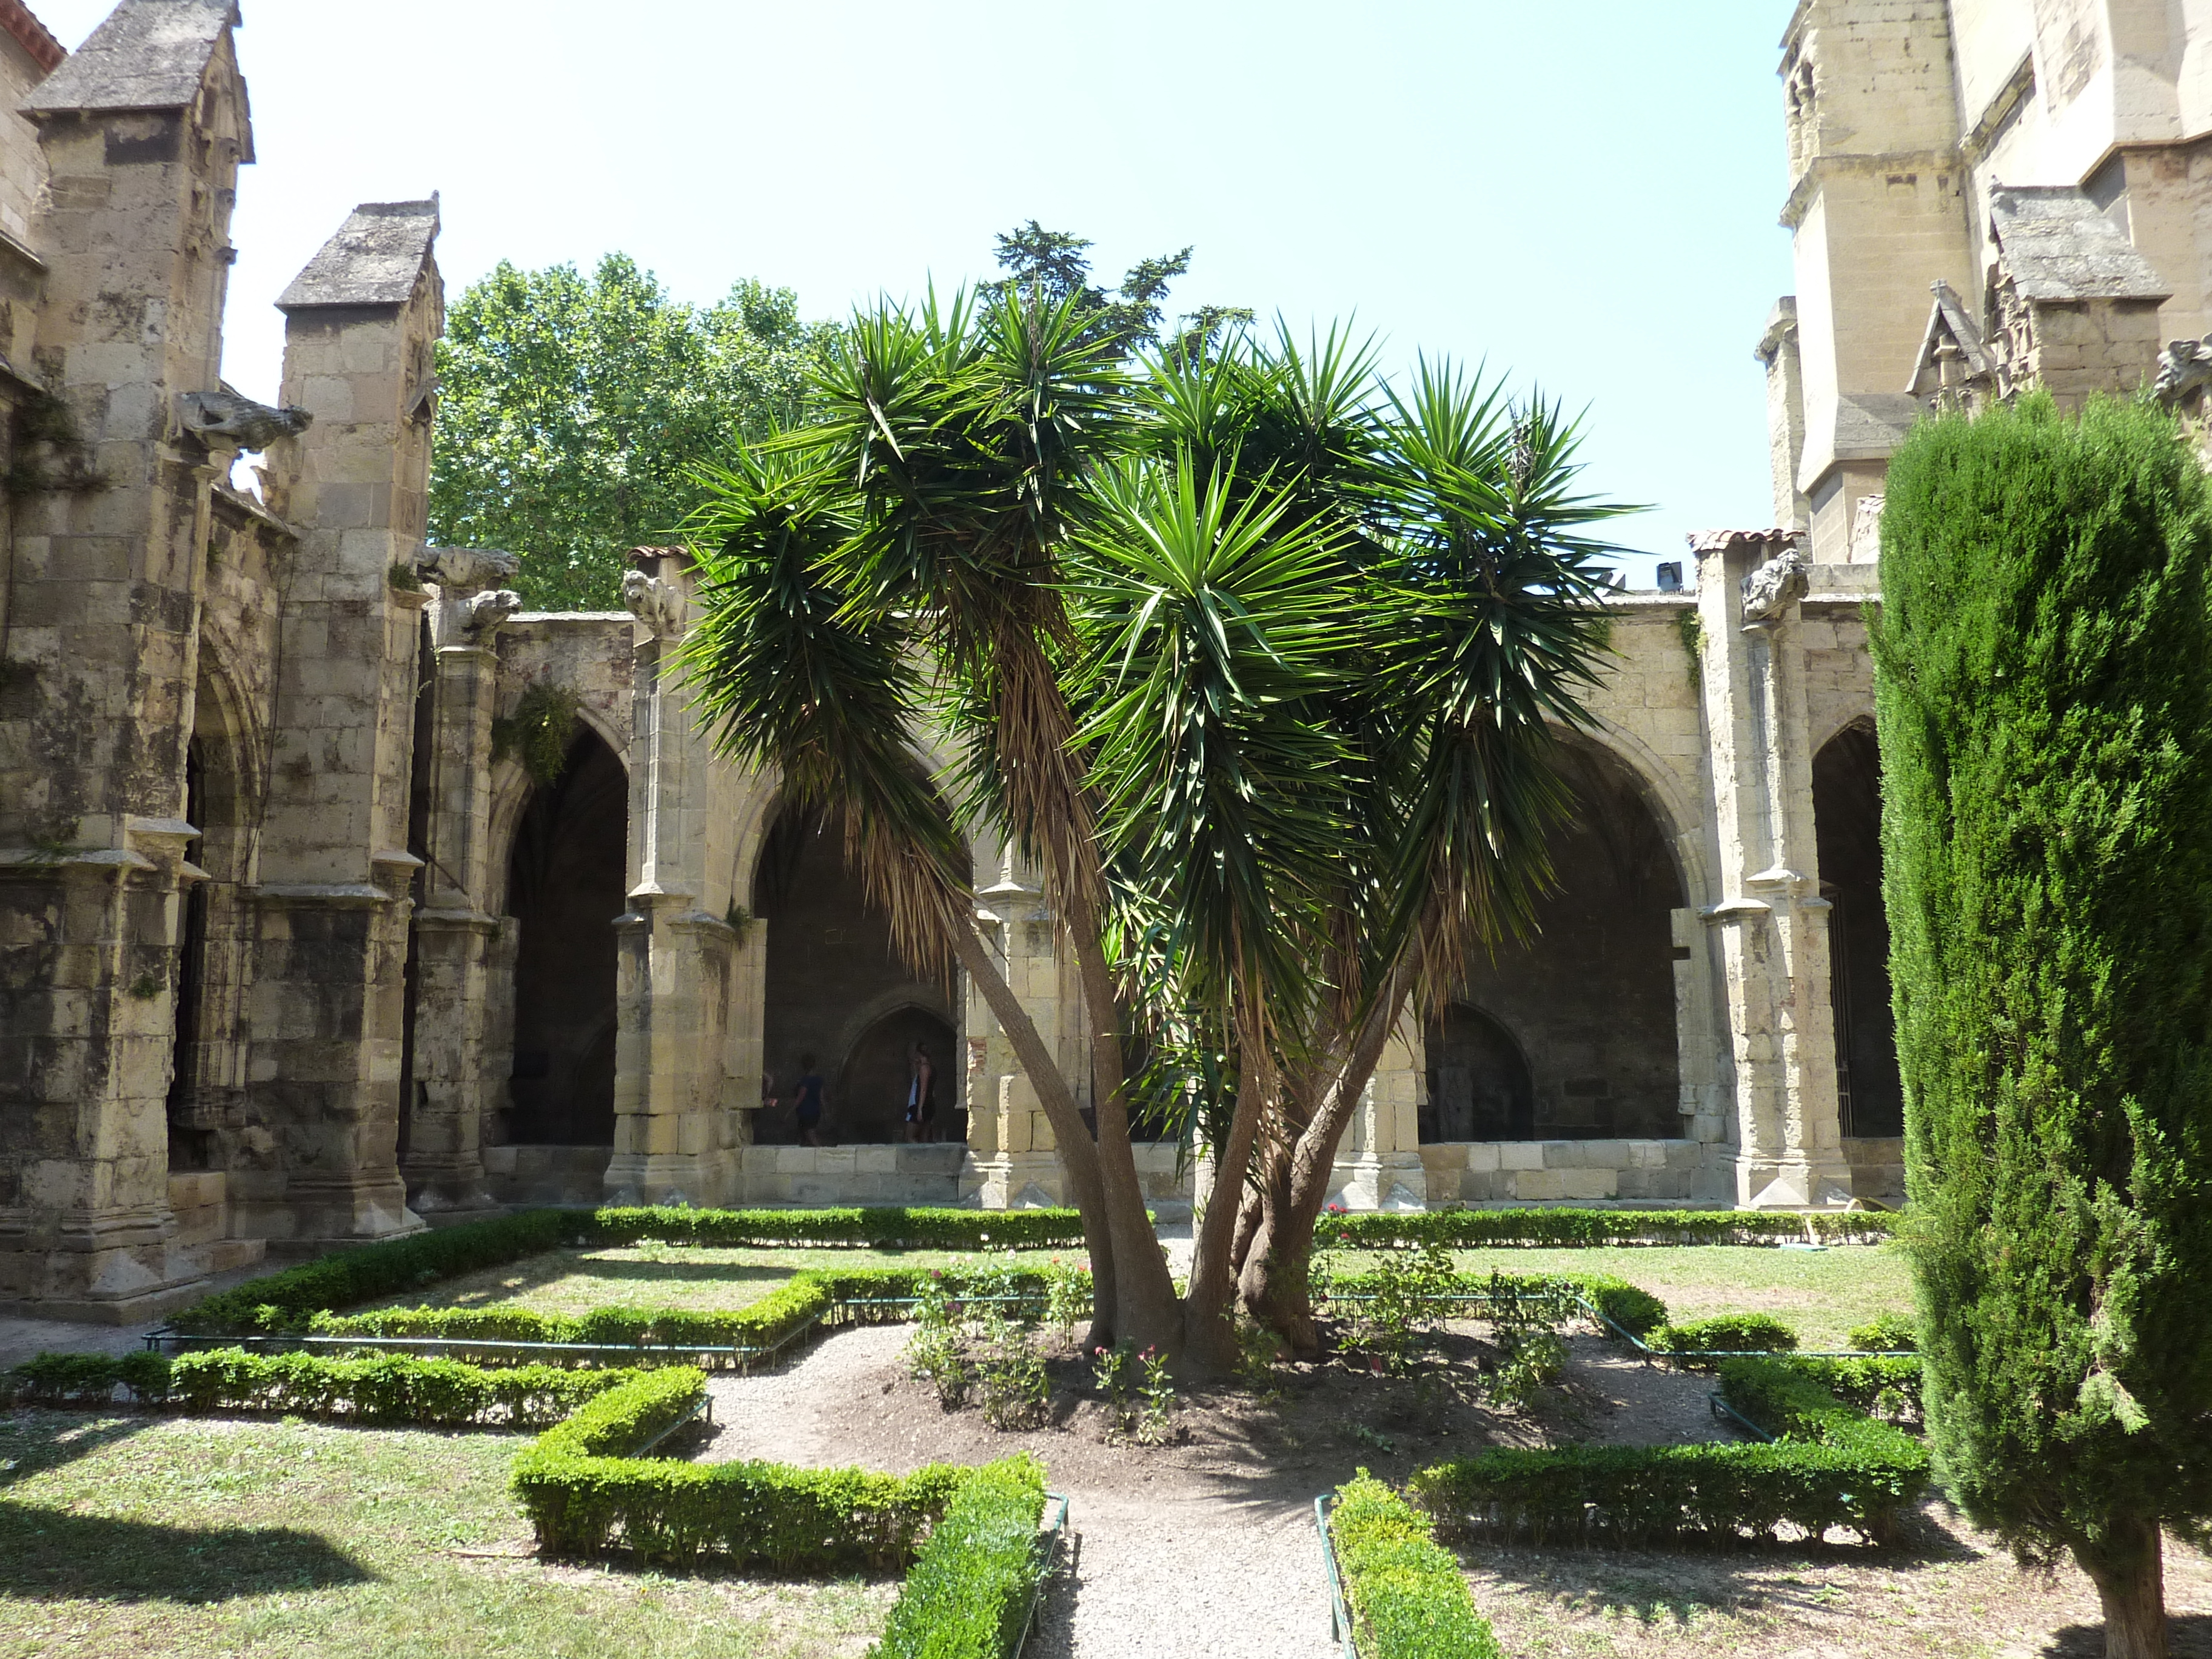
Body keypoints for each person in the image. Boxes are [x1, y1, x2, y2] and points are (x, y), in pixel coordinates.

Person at [905, 1041, 937, 1144]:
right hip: (928, 1105)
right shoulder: (930, 1068)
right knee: (924, 1138)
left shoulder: (925, 1068)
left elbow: (923, 1089)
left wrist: (919, 1109)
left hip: (921, 1105)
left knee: (910, 1136)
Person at [793, 1054, 825, 1147]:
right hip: (815, 1111)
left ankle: (821, 1152)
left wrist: (789, 1112)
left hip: (806, 1112)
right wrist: (826, 1111)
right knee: (806, 1136)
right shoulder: (819, 1080)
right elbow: (822, 1098)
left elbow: (800, 1097)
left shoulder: (805, 1081)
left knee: (810, 1135)